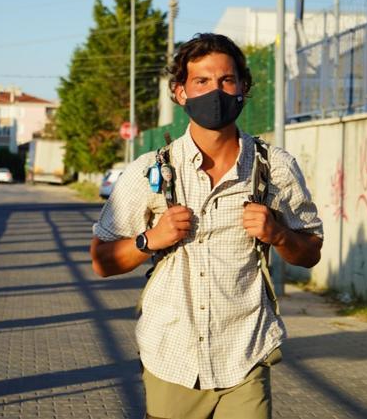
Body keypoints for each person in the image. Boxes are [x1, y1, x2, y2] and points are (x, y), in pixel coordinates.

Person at [90, 33, 323, 419]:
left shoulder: (275, 168)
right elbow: (101, 260)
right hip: (171, 357)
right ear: (180, 92)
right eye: (201, 82)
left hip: (244, 354)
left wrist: (279, 234)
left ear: (243, 88)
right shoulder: (150, 171)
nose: (215, 92)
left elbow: (311, 251)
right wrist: (151, 239)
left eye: (226, 81)